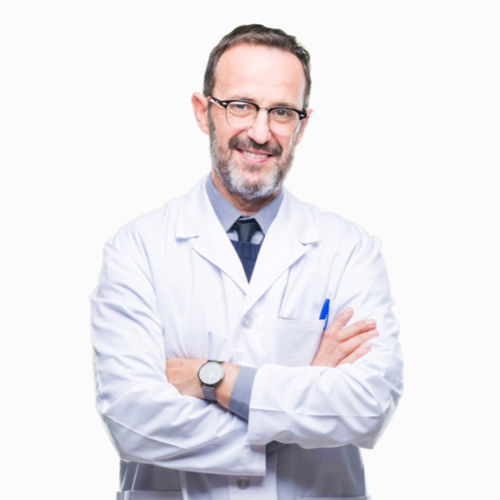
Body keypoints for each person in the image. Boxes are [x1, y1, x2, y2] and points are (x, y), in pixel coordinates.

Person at [91, 24, 403, 500]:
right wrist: (304, 396)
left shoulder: (349, 250)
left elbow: (368, 407)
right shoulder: (137, 250)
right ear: (204, 112)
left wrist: (210, 378)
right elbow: (132, 421)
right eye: (240, 105)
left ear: (302, 125)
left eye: (281, 112)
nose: (260, 132)